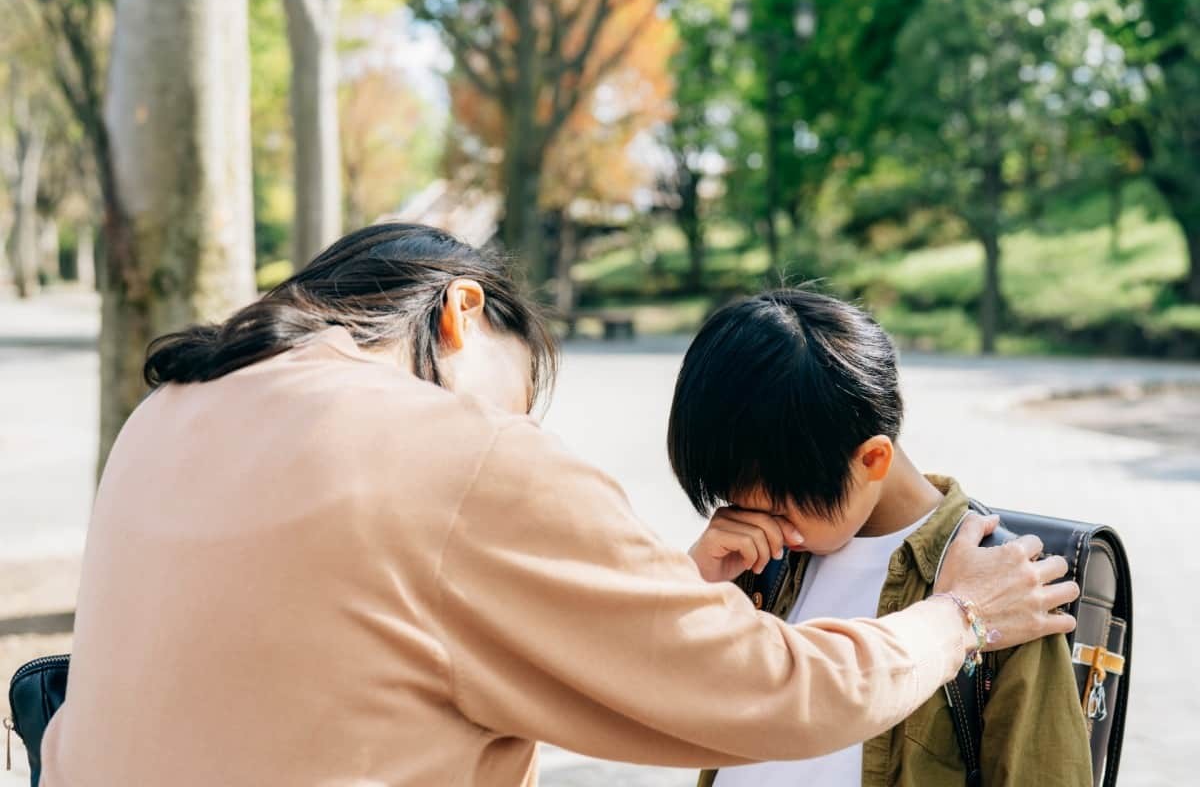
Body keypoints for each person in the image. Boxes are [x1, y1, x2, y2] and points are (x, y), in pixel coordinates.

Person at [39, 225, 1078, 786]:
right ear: (459, 313)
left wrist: (666, 591)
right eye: (519, 390)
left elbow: (370, 643)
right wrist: (961, 617)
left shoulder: (174, 411)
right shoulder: (455, 452)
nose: (519, 424)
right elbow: (769, 692)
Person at [672, 288, 1092, 787]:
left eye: (779, 507)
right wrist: (689, 586)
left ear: (873, 459)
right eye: (736, 502)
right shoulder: (752, 563)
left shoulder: (1000, 584)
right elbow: (649, 706)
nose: (758, 524)